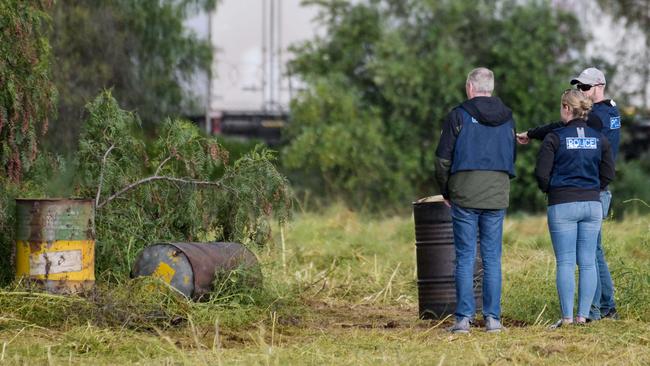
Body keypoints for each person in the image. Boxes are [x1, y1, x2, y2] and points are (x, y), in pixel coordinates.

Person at [517, 67, 621, 321]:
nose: (581, 91)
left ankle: (596, 311)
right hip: (593, 194)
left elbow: (559, 131)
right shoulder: (611, 113)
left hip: (580, 195)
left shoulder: (595, 120)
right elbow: (609, 168)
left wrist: (554, 190)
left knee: (580, 258)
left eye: (584, 88)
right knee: (591, 255)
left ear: (599, 86)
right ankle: (596, 310)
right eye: (578, 88)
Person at [434, 67, 516, 333]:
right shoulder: (508, 117)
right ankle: (493, 319)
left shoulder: (458, 115)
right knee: (492, 257)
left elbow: (442, 159)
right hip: (496, 192)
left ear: (470, 87)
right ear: (490, 88)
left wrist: (446, 190)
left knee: (466, 256)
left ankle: (463, 320)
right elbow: (511, 155)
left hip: (465, 193)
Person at [535, 89, 615, 327]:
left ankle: (567, 318)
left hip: (563, 204)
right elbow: (609, 172)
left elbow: (541, 174)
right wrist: (592, 189)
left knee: (566, 262)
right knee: (588, 261)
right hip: (592, 204)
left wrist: (553, 189)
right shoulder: (599, 137)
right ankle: (583, 317)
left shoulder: (554, 137)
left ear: (567, 109)